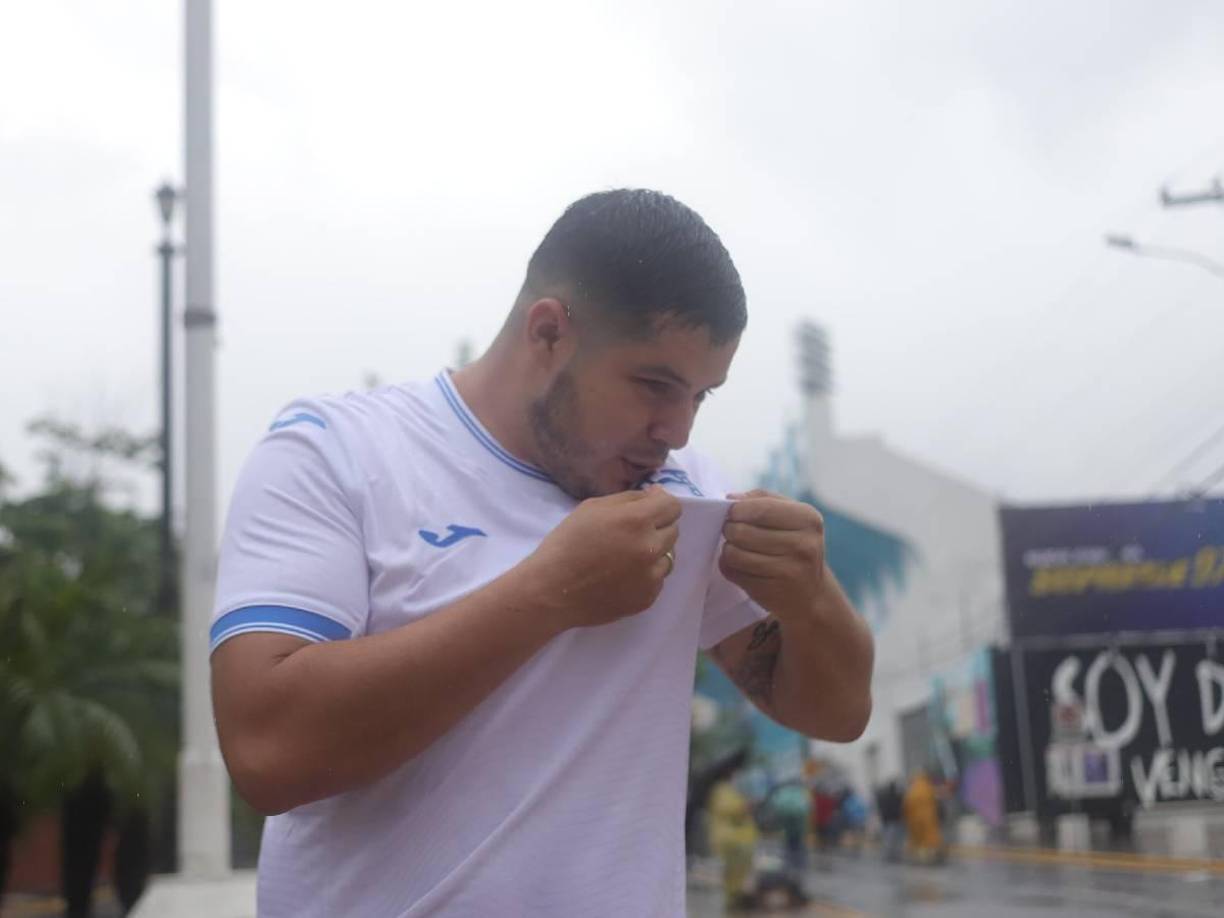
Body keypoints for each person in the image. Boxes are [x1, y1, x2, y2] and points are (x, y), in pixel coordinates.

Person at [209, 189, 875, 917]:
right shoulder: (335, 452)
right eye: (654, 385)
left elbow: (836, 713)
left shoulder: (686, 494)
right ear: (549, 332)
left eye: (700, 397)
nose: (676, 431)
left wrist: (812, 600)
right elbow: (267, 751)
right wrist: (546, 594)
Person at [903, 770, 944, 864]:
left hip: (914, 820)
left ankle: (921, 856)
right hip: (929, 818)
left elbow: (906, 806)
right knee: (930, 839)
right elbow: (936, 803)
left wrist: (907, 819)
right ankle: (929, 855)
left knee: (918, 840)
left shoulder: (912, 790)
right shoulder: (928, 788)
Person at [875, 778, 905, 862]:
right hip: (895, 820)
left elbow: (882, 808)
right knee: (895, 840)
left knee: (889, 839)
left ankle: (889, 855)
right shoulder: (898, 797)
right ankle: (893, 855)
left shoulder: (885, 796)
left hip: (888, 820)